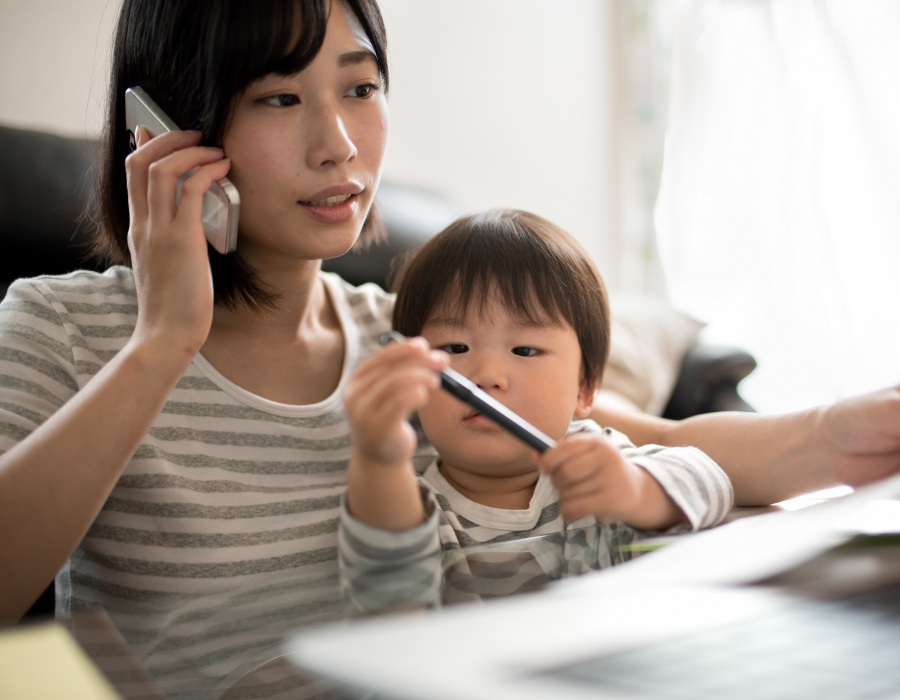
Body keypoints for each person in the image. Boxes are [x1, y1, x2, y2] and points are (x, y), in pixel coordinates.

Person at [1, 0, 900, 640]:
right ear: (168, 131)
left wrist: (838, 431)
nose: (340, 145)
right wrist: (165, 342)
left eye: (360, 87)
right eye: (280, 98)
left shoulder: (413, 342)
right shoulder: (65, 329)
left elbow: (639, 438)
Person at [339, 209, 733, 609]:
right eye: (455, 348)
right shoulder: (409, 505)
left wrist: (636, 490)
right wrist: (379, 458)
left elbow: (710, 480)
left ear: (585, 387)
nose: (487, 376)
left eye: (525, 349)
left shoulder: (595, 459)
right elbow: (388, 606)